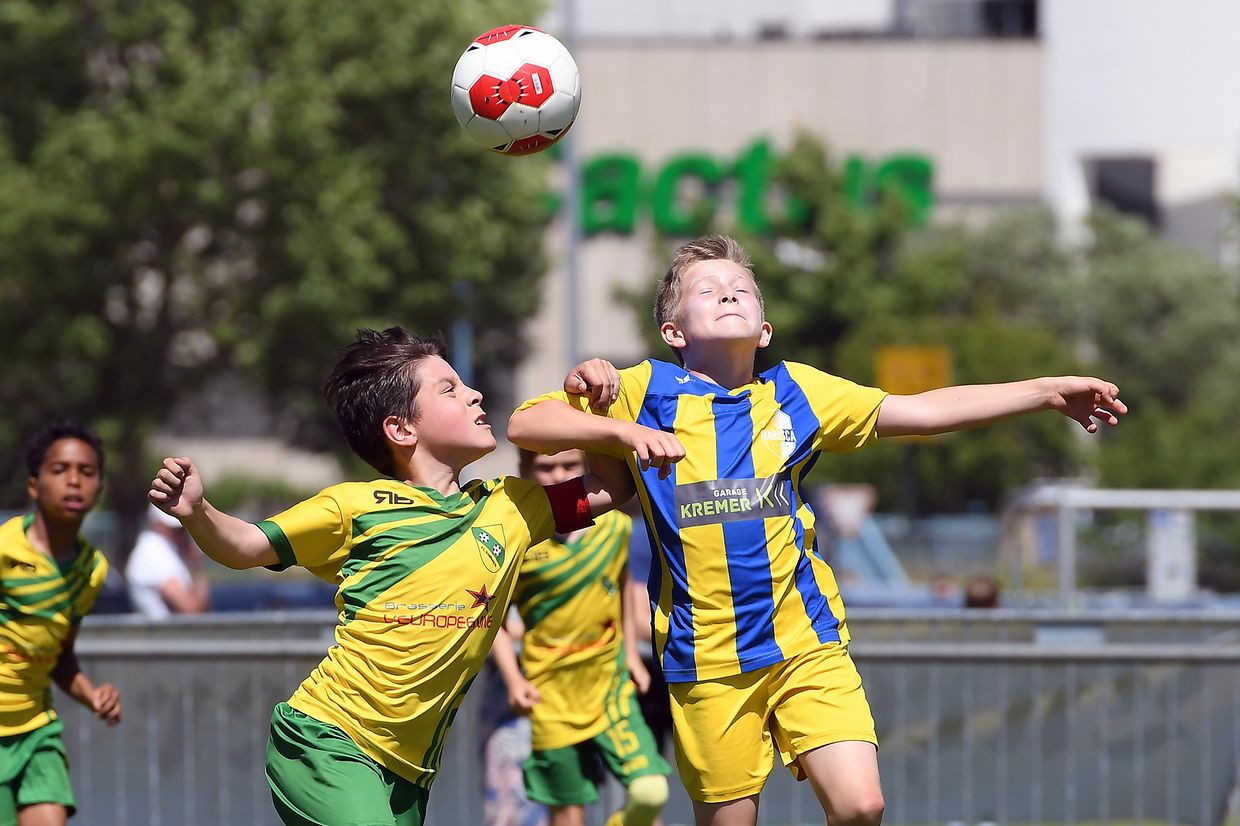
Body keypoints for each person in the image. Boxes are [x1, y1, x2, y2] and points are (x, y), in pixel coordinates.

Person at [507, 235, 1127, 826]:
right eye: (707, 290)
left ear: (765, 329)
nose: (728, 293)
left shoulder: (799, 391)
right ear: (674, 332)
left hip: (805, 642)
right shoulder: (643, 391)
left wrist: (1046, 391)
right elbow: (526, 426)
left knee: (860, 806)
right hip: (706, 660)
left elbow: (924, 409)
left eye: (741, 288)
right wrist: (613, 422)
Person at [147, 327, 669, 826]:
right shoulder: (354, 507)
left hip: (408, 774)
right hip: (328, 742)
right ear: (401, 429)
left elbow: (612, 485)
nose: (475, 394)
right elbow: (244, 546)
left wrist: (595, 406)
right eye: (449, 389)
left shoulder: (514, 507)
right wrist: (198, 511)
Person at [491, 448, 671, 826]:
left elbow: (621, 586)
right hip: (549, 694)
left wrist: (632, 656)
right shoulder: (518, 541)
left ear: (585, 466)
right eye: (546, 467)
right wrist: (514, 680)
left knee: (650, 792)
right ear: (524, 469)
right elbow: (493, 620)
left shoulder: (615, 528)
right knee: (567, 812)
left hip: (610, 686)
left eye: (569, 465)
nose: (559, 475)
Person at [1, 420, 123, 826]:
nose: (74, 481)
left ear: (99, 488)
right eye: (60, 470)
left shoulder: (92, 569)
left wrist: (93, 695)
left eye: (86, 471)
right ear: (34, 485)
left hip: (36, 730)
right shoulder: (4, 549)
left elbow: (60, 655)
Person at [125, 505, 211, 618]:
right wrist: (197, 567)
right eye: (176, 529)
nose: (182, 533)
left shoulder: (158, 549)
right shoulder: (154, 553)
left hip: (166, 628)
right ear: (157, 522)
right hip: (164, 629)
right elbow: (192, 610)